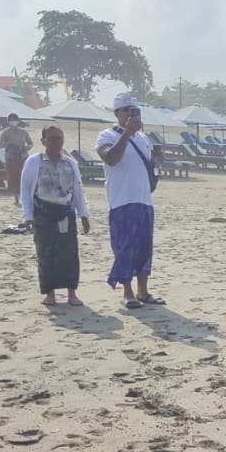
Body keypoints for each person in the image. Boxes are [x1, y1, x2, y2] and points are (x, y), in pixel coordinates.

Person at [96, 93, 162, 309]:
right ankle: (128, 292)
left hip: (144, 200)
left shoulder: (144, 139)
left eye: (134, 111)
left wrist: (158, 161)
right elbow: (110, 158)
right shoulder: (106, 135)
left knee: (144, 248)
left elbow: (150, 168)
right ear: (116, 113)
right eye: (126, 110)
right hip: (121, 201)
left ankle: (143, 291)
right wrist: (127, 133)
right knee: (124, 248)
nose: (130, 114)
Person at [20, 125, 90, 307]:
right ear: (43, 141)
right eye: (52, 138)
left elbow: (77, 189)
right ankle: (50, 294)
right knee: (46, 253)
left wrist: (84, 214)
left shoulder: (70, 163)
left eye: (60, 138)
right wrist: (28, 216)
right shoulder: (34, 162)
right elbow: (26, 190)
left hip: (66, 213)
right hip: (43, 213)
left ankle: (72, 293)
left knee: (69, 254)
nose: (57, 142)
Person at [0, 113, 33, 196]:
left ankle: (22, 188)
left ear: (18, 122)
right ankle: (12, 189)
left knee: (22, 172)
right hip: (10, 156)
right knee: (11, 173)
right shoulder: (5, 132)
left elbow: (30, 143)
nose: (13, 122)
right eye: (11, 121)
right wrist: (8, 143)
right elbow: (0, 145)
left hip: (22, 155)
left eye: (14, 120)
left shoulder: (23, 132)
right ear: (8, 122)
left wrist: (25, 148)